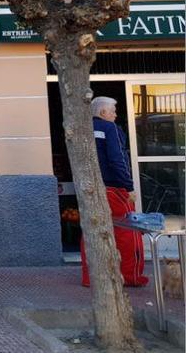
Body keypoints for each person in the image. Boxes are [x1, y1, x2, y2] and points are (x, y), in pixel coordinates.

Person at [81, 96, 148, 287]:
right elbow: (117, 159)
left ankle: (91, 277)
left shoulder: (82, 129)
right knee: (127, 232)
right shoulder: (110, 129)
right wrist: (129, 187)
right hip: (113, 190)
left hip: (90, 188)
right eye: (113, 111)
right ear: (103, 113)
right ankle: (130, 276)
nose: (116, 115)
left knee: (91, 232)